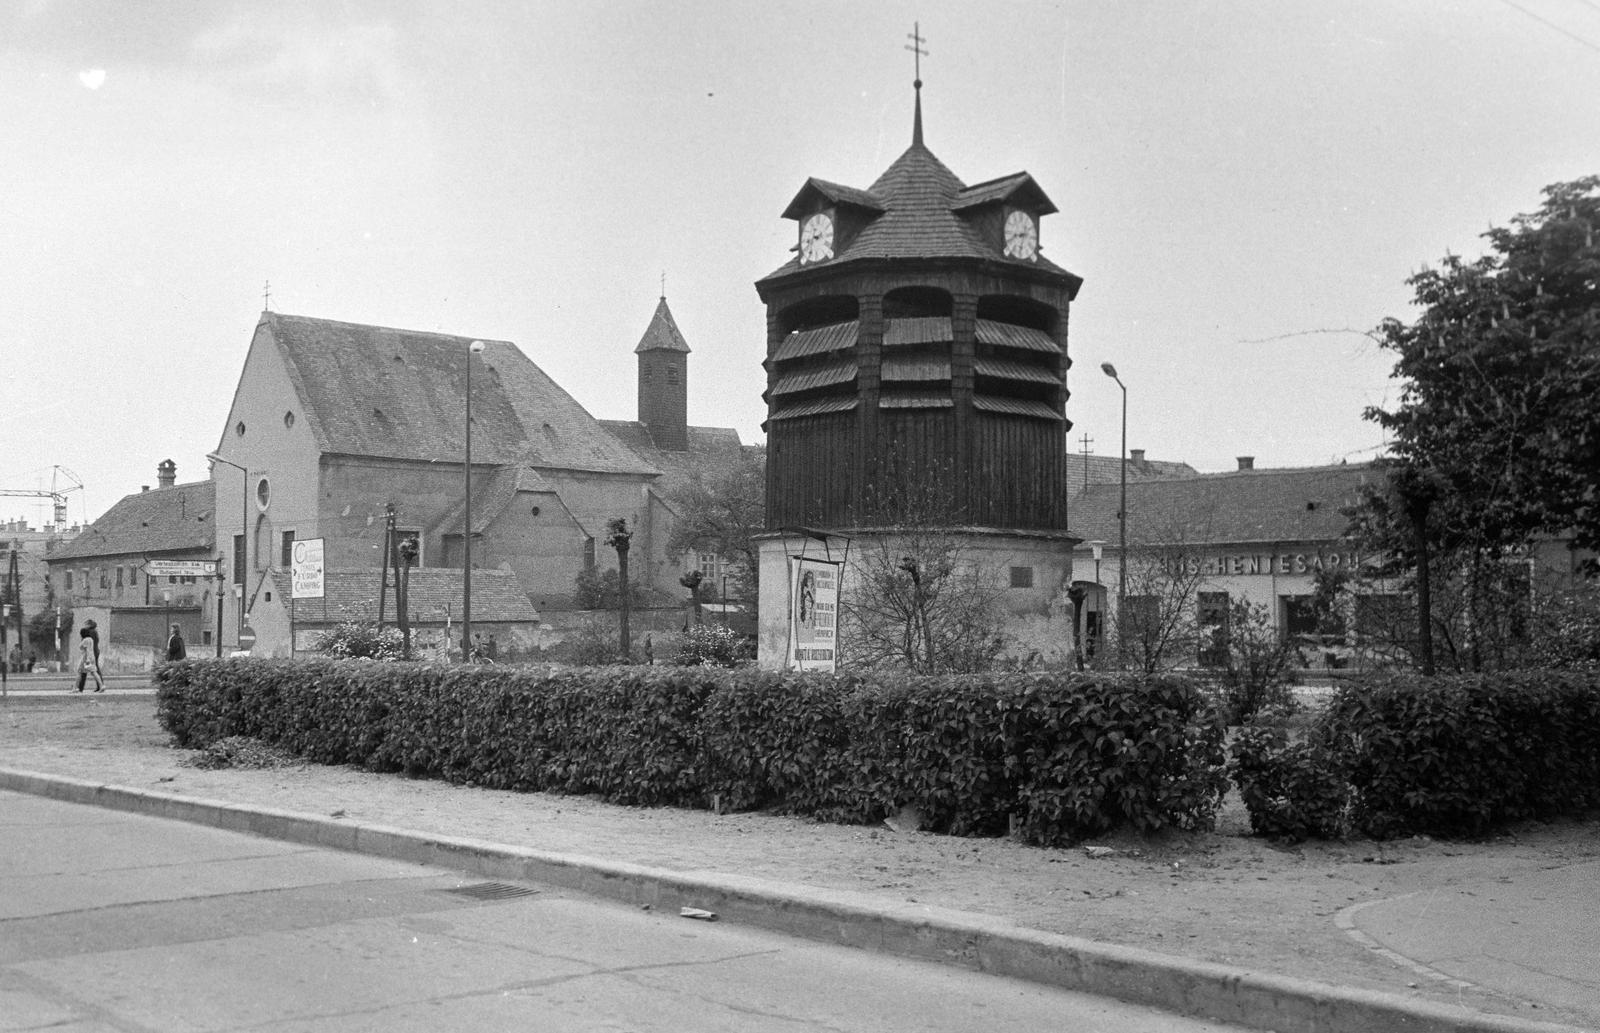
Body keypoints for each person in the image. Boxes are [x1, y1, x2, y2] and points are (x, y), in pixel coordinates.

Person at [76, 627, 104, 692]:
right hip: (92, 657)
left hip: (86, 659)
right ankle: (101, 686)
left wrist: (87, 659)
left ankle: (76, 688)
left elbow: (88, 650)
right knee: (94, 672)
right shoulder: (91, 639)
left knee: (79, 672)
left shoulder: (86, 640)